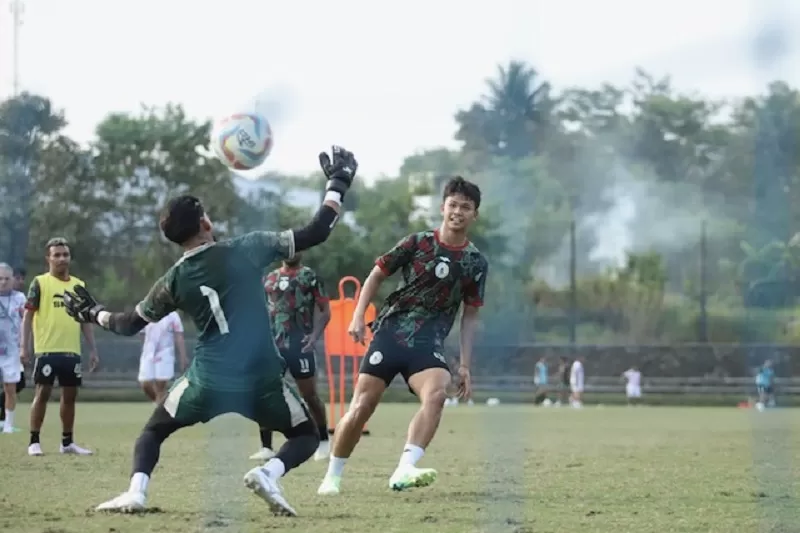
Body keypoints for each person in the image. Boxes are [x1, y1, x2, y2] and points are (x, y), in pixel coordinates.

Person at [61, 146, 357, 515]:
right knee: (306, 436)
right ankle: (268, 473)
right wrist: (338, 183)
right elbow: (316, 231)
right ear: (204, 223)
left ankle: (137, 492)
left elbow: (128, 324)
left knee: (154, 431)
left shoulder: (174, 280)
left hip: (209, 378)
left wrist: (94, 313)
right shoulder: (246, 249)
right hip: (260, 377)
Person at [317, 176, 488, 496]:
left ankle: (405, 467)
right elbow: (377, 273)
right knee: (362, 406)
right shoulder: (417, 242)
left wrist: (464, 365)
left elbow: (471, 316)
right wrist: (357, 316)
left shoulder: (476, 262)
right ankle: (333, 476)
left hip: (427, 343)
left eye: (466, 207)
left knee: (437, 394)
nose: (458, 212)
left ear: (474, 215)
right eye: (453, 205)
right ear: (443, 208)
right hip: (391, 333)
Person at [21, 238, 99, 456]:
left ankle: (67, 443)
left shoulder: (78, 285)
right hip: (47, 349)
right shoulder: (39, 283)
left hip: (71, 350)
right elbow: (28, 317)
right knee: (42, 392)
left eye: (65, 254)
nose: (62, 258)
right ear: (49, 258)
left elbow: (85, 320)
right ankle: (34, 441)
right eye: (57, 255)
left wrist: (93, 349)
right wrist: (23, 347)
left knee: (70, 395)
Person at [250, 253, 332, 462]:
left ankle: (323, 440)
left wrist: (314, 336)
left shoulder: (309, 277)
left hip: (300, 345)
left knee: (310, 395)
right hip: (273, 346)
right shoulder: (270, 278)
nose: (291, 252)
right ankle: (266, 446)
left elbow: (325, 311)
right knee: (265, 392)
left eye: (296, 248)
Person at [138, 311, 188, 403]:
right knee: (145, 383)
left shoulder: (172, 315)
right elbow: (142, 333)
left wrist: (183, 356)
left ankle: (160, 408)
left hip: (165, 353)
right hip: (148, 353)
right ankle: (161, 404)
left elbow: (179, 335)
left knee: (160, 384)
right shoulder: (146, 312)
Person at [0, 263, 26, 433]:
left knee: (11, 387)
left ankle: (8, 424)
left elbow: (26, 322)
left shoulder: (20, 298)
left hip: (12, 350)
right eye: (0, 279)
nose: (3, 282)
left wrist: (25, 346)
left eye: (6, 279)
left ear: (12, 280)